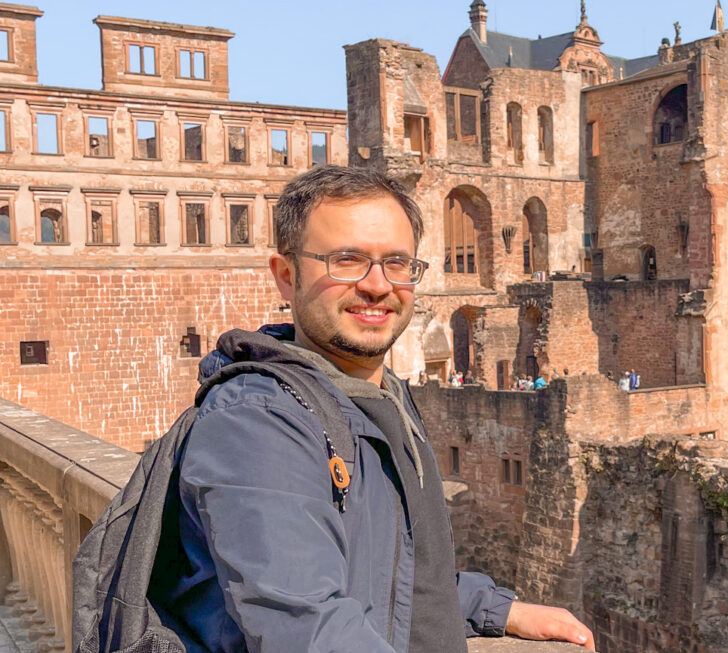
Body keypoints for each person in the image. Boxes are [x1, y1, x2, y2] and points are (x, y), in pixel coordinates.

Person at [158, 165, 594, 652]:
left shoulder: (378, 397)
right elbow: (306, 628)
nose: (377, 284)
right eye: (347, 260)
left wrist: (490, 607)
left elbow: (386, 567)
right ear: (286, 276)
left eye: (397, 263)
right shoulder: (258, 421)